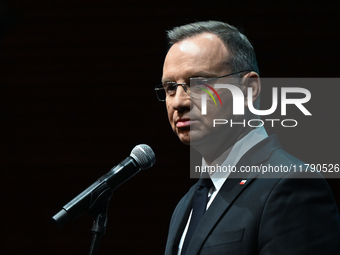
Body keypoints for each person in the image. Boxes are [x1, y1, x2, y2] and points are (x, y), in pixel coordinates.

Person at [155, 21, 340, 255]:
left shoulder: (291, 183)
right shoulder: (186, 204)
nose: (179, 101)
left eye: (199, 83)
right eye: (170, 87)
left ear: (249, 88)